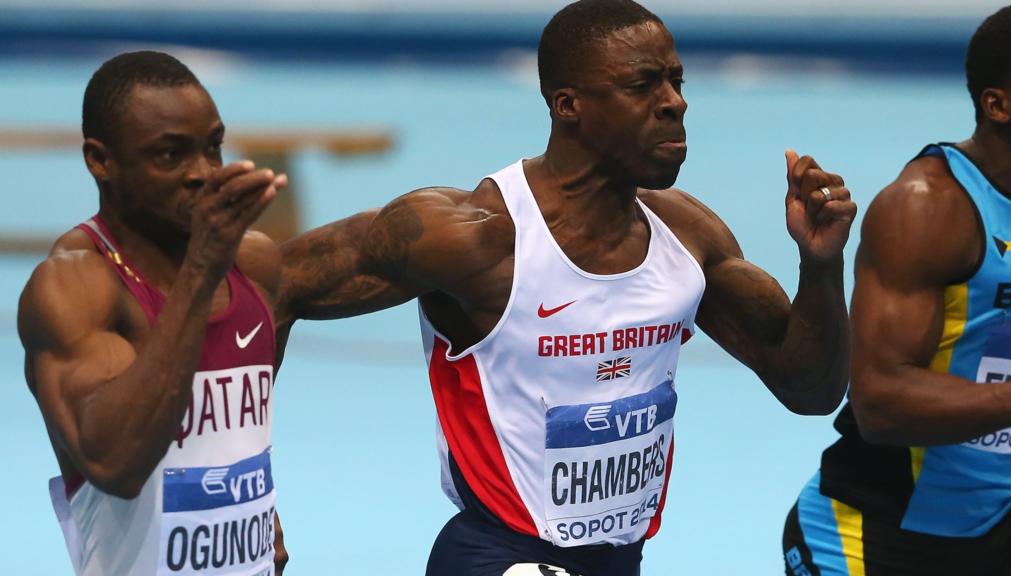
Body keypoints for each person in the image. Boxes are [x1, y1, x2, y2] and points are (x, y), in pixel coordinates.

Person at [275, 1, 857, 574]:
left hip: (621, 560)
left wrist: (821, 263)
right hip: (497, 557)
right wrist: (254, 497)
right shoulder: (475, 238)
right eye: (643, 86)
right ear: (568, 105)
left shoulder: (686, 235)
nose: (675, 104)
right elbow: (273, 285)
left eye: (676, 82)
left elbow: (810, 389)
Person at [19, 51, 290, 575]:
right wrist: (201, 269)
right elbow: (115, 463)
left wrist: (252, 506)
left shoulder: (253, 263)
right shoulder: (75, 285)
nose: (204, 174)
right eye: (171, 155)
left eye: (213, 148)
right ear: (100, 160)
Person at [781, 5, 1011, 575]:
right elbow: (881, 403)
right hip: (874, 538)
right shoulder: (928, 209)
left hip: (1001, 525)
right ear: (998, 105)